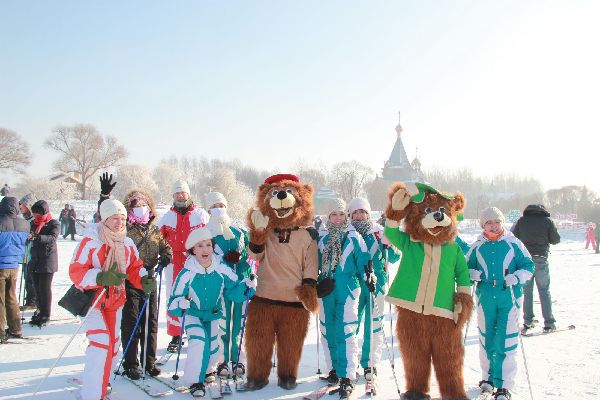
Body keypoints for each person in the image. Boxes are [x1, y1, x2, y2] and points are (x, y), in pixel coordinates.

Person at [69, 199, 155, 400]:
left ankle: (101, 382)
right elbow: (76, 272)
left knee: (113, 345)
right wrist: (99, 277)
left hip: (115, 301)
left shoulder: (126, 243)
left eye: (123, 218)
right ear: (104, 219)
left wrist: (144, 280)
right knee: (101, 342)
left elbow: (135, 267)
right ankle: (92, 394)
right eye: (114, 218)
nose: (119, 222)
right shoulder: (90, 242)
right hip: (92, 302)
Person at [167, 227, 257, 397]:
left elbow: (233, 289)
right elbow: (173, 303)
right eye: (200, 246)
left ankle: (208, 371)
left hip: (213, 314)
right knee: (199, 341)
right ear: (193, 250)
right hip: (193, 315)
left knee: (213, 347)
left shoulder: (221, 268)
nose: (205, 249)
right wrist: (181, 303)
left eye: (208, 245)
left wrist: (247, 287)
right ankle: (195, 381)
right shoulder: (186, 273)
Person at [467, 207, 534, 400]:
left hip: (509, 297)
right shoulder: (478, 246)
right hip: (486, 297)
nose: (494, 226)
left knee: (506, 340)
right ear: (483, 225)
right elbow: (465, 268)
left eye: (497, 222)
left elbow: (528, 266)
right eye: (489, 223)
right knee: (486, 338)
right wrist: (472, 275)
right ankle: (488, 378)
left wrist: (517, 276)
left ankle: (504, 384)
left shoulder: (514, 243)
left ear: (502, 223)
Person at [316, 198, 370, 398]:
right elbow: (313, 262)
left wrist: (368, 276)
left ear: (346, 216)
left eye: (341, 214)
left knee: (345, 330)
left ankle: (347, 375)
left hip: (347, 288)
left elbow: (364, 259)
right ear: (328, 216)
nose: (338, 218)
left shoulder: (354, 236)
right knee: (327, 329)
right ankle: (334, 370)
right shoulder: (321, 238)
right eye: (334, 215)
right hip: (326, 288)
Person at [121, 190, 172, 380]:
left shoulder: (154, 230)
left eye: (143, 205)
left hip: (150, 280)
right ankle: (131, 364)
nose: (140, 209)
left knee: (150, 323)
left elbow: (165, 246)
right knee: (132, 323)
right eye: (136, 206)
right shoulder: (126, 230)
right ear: (130, 209)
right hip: (131, 281)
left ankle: (148, 361)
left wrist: (166, 255)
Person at [347, 197, 400, 382]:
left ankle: (369, 363)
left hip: (376, 284)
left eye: (363, 212)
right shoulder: (348, 232)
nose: (360, 215)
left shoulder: (379, 232)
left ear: (368, 214)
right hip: (354, 284)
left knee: (374, 325)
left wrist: (390, 245)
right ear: (350, 215)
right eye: (355, 212)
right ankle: (349, 363)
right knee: (352, 324)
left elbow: (393, 258)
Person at [204, 192, 253, 378]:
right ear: (208, 210)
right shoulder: (206, 233)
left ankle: (238, 358)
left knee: (239, 323)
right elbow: (203, 257)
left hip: (239, 284)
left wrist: (241, 262)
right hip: (219, 285)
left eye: (221, 206)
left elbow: (248, 257)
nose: (218, 209)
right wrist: (222, 261)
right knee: (223, 325)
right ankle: (222, 360)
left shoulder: (239, 232)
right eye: (214, 206)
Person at [157, 178, 209, 352]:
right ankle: (176, 335)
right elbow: (156, 239)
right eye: (177, 193)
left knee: (196, 295)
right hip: (173, 262)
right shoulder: (167, 217)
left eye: (183, 192)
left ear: (188, 194)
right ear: (173, 195)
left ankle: (197, 332)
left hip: (195, 260)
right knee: (174, 297)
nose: (180, 196)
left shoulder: (200, 214)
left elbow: (211, 236)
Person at [511, 204, 560, 332]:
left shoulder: (522, 221)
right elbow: (556, 239)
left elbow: (513, 237)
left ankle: (528, 321)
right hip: (541, 258)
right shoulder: (547, 221)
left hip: (525, 260)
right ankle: (549, 323)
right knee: (544, 290)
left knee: (527, 292)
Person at [0, 197, 29, 343]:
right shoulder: (23, 224)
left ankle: (0, 332)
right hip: (14, 265)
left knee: (0, 300)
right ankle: (15, 329)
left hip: (1, 265)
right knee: (11, 297)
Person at [27, 200, 60, 327]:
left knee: (44, 289)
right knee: (37, 288)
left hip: (47, 261)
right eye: (35, 214)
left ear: (45, 212)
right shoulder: (33, 224)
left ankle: (46, 314)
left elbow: (52, 238)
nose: (36, 216)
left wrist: (37, 237)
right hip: (35, 260)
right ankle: (40, 311)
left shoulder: (53, 223)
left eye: (39, 214)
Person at [18, 193, 38, 310]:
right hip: (25, 254)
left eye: (23, 204)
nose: (20, 207)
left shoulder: (34, 221)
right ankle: (30, 300)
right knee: (27, 279)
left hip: (32, 254)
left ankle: (32, 301)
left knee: (31, 279)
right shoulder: (25, 220)